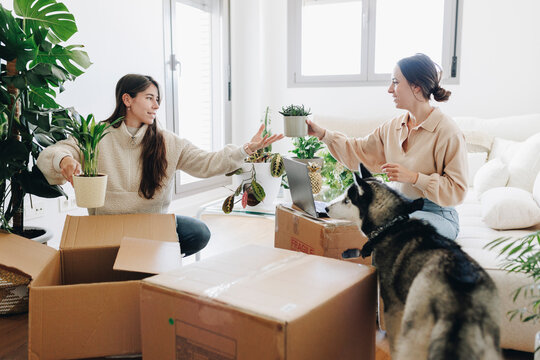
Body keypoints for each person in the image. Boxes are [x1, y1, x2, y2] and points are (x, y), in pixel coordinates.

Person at [37, 74, 283, 256]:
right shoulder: (96, 134)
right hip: (107, 227)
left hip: (151, 226)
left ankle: (155, 262)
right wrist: (65, 159)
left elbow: (206, 163)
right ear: (127, 99)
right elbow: (54, 152)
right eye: (149, 98)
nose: (156, 105)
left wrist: (245, 150)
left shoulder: (168, 141)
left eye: (158, 100)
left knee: (198, 232)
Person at [306, 53, 468, 240]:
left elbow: (458, 190)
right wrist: (323, 134)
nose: (390, 89)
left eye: (395, 82)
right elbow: (358, 152)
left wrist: (414, 178)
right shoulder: (393, 127)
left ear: (416, 87)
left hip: (438, 215)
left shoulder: (447, 132)